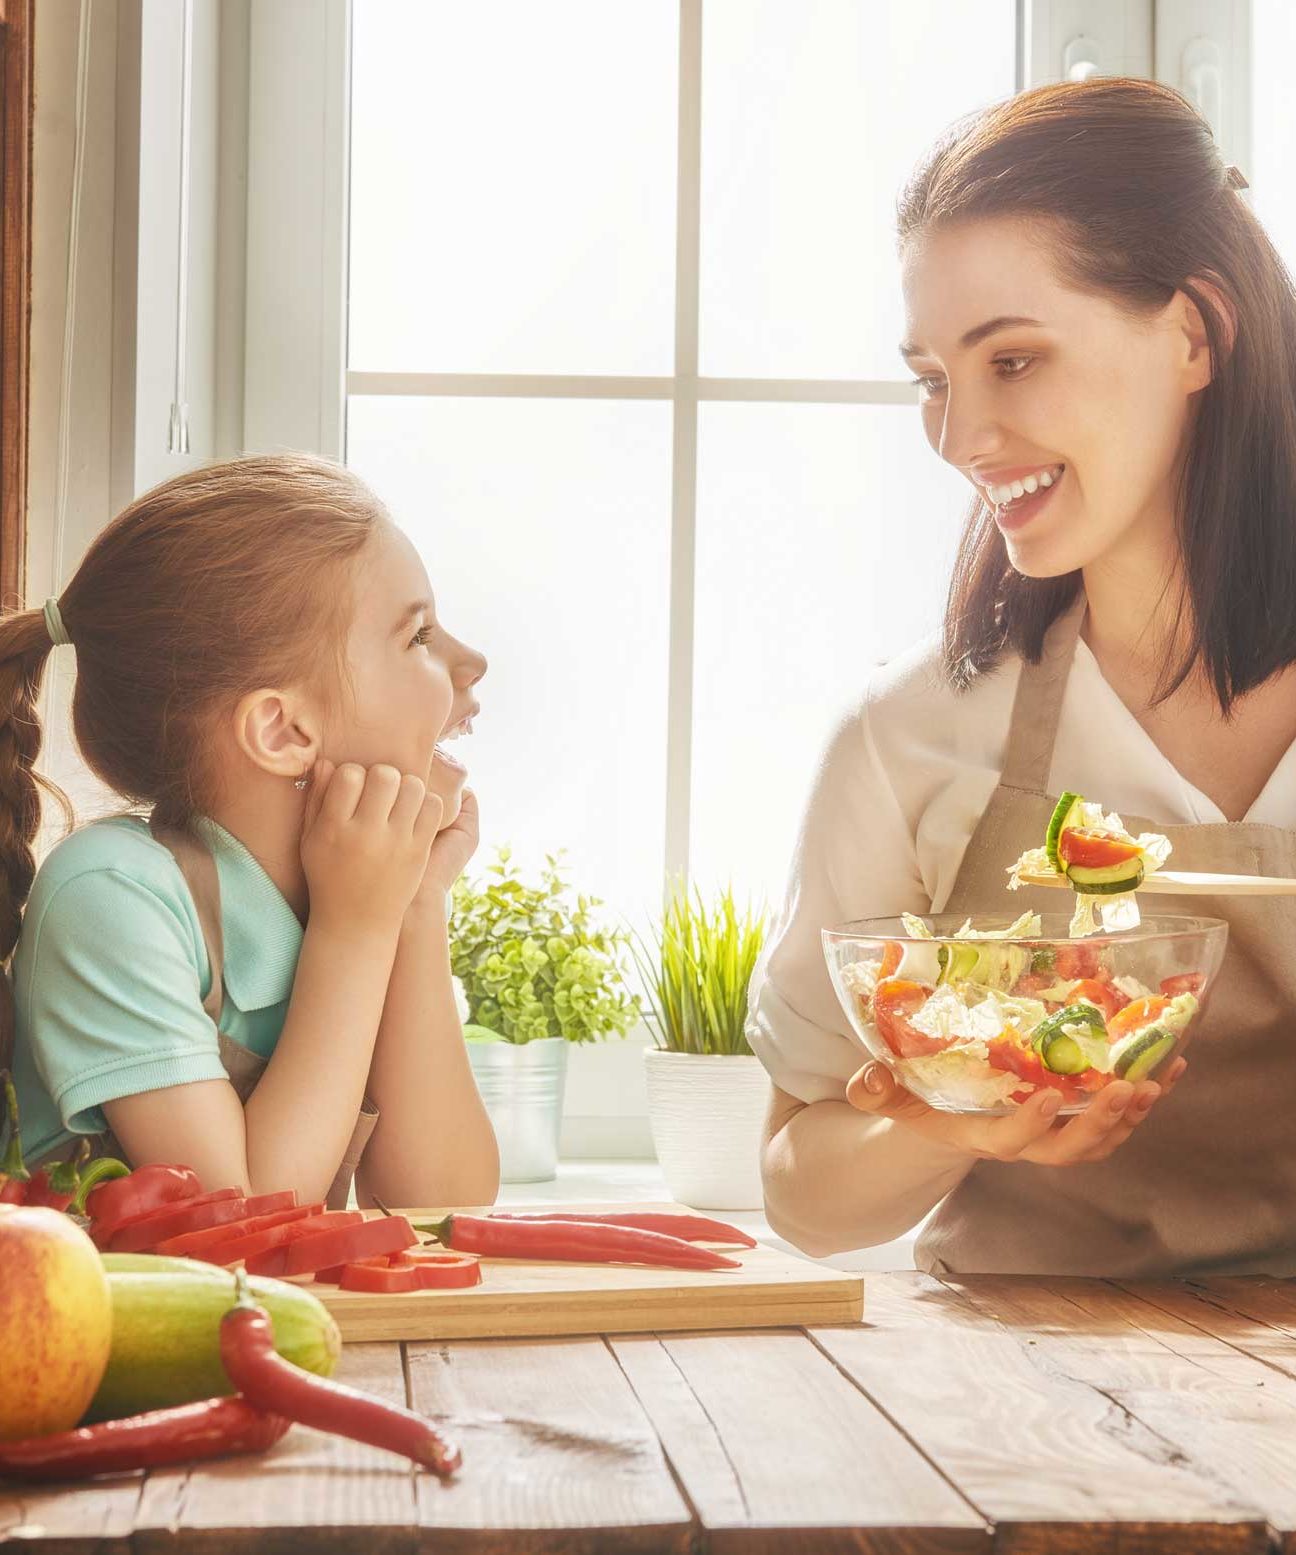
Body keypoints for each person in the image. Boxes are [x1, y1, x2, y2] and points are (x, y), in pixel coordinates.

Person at [750, 77, 1296, 1277]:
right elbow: (800, 1184)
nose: (958, 437)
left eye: (1014, 360)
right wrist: (950, 1124)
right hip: (1019, 1413)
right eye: (935, 379)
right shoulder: (907, 739)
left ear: (1195, 335)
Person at [5, 453, 499, 1210]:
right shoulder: (112, 894)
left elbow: (441, 1207)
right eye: (419, 636)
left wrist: (414, 904)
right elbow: (241, 1216)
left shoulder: (347, 890)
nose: (472, 662)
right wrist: (357, 928)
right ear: (283, 729)